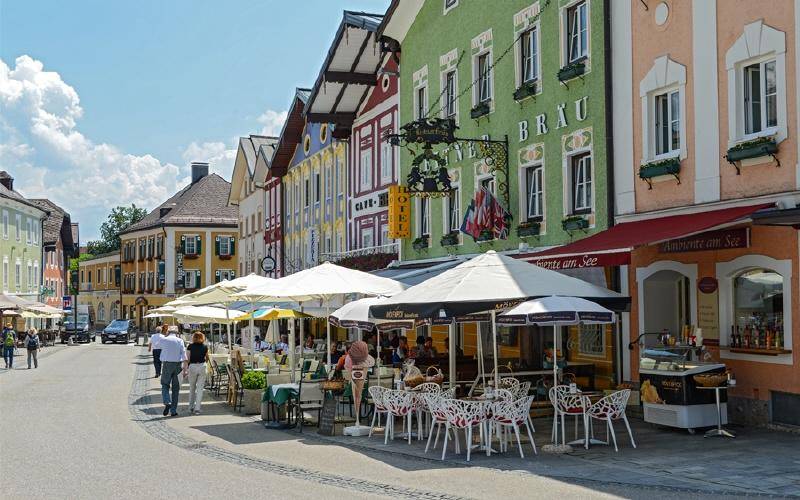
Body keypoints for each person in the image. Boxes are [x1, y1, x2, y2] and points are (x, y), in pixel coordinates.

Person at [159, 328, 187, 417]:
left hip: (167, 363)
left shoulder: (164, 339)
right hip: (178, 364)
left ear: (168, 332)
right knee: (176, 388)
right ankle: (173, 410)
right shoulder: (180, 340)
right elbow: (184, 354)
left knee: (165, 384)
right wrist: (185, 369)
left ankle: (167, 401)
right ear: (177, 334)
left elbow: (157, 346)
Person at [185, 331, 209, 415]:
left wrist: (186, 368)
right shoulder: (205, 346)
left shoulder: (190, 346)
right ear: (202, 337)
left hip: (192, 366)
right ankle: (197, 408)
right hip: (202, 366)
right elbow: (207, 358)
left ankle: (190, 407)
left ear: (193, 337)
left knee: (192, 388)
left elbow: (187, 358)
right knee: (200, 388)